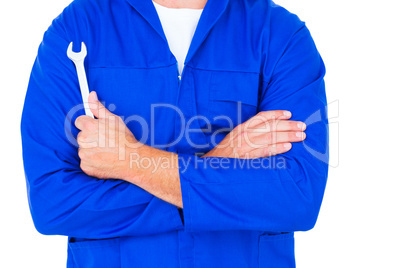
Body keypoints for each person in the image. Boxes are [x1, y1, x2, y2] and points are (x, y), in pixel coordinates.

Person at [21, 0, 328, 267]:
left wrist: (130, 160)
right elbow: (53, 202)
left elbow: (296, 194)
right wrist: (219, 163)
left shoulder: (281, 36)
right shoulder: (78, 28)